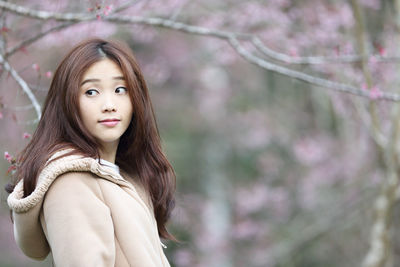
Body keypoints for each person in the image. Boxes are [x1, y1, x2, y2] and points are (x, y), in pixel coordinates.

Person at [5, 38, 176, 266]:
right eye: (91, 92)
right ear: (67, 102)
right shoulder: (72, 182)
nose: (109, 104)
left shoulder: (126, 179)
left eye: (120, 89)